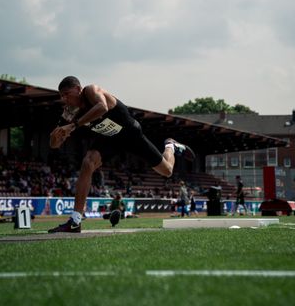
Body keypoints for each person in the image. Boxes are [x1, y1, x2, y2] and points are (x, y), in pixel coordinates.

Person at [48, 76, 195, 233]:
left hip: (130, 134)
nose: (64, 99)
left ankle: (170, 146)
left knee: (166, 171)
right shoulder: (69, 112)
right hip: (109, 138)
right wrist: (56, 136)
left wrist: (74, 125)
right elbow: (54, 144)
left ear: (78, 89)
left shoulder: (91, 91)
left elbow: (102, 107)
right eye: (61, 96)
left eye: (66, 94)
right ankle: (75, 221)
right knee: (87, 163)